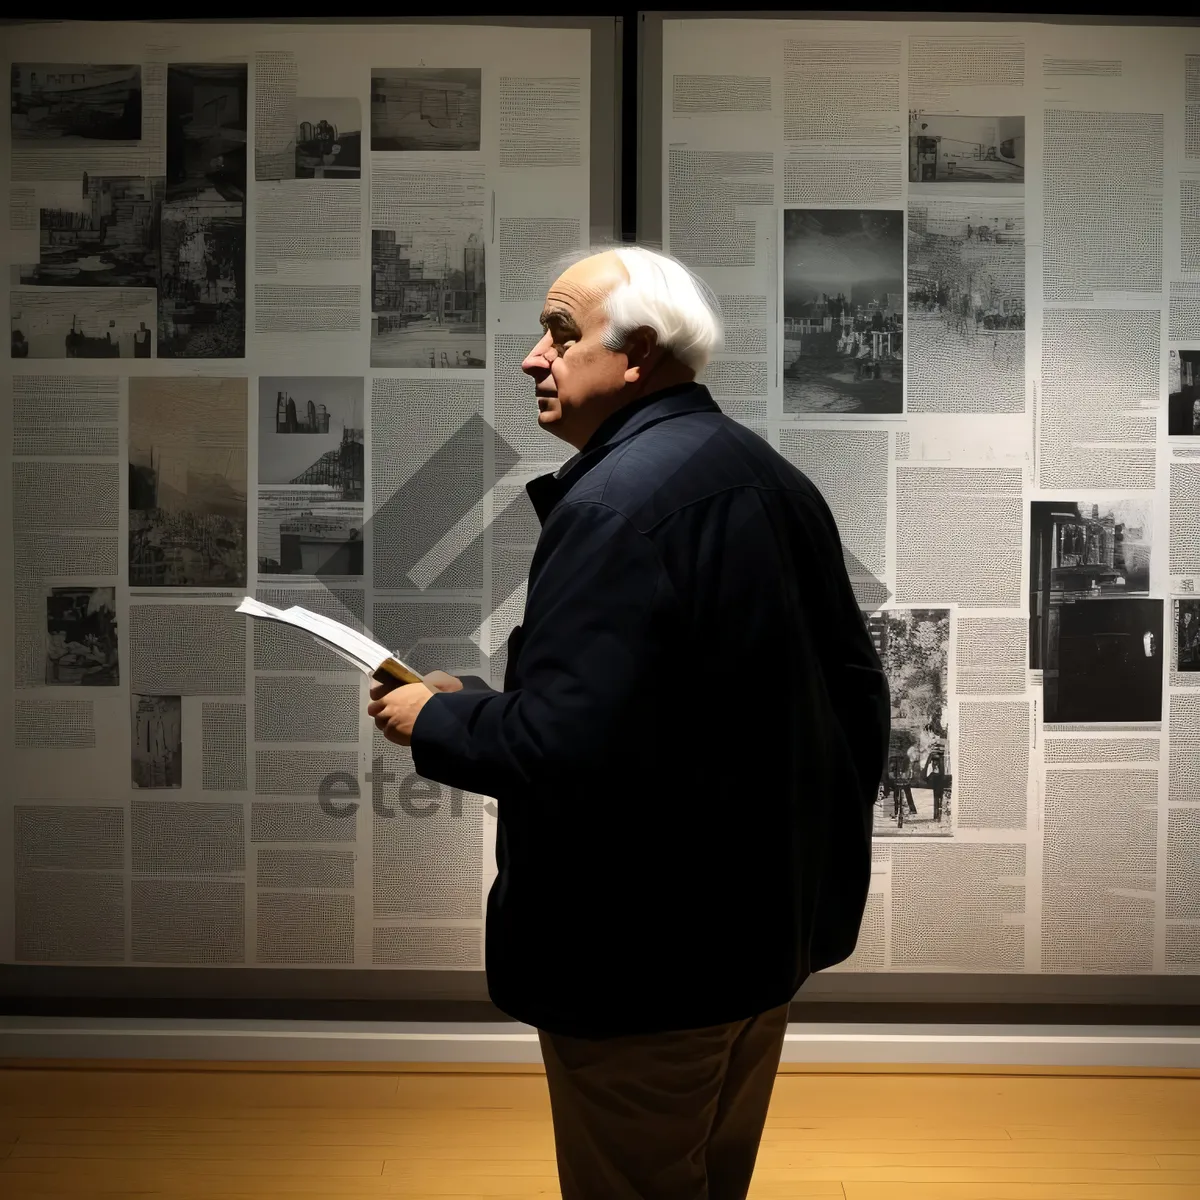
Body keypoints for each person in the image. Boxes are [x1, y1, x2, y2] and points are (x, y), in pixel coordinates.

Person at [366, 246, 889, 1200]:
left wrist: (432, 725)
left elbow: (569, 745)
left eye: (561, 334)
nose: (535, 357)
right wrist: (475, 702)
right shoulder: (768, 478)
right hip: (759, 941)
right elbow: (829, 699)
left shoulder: (613, 505)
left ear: (639, 351)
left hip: (642, 964)